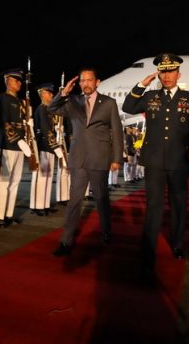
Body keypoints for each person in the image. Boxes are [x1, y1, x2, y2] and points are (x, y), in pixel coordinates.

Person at [122, 53, 189, 274]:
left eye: (170, 71)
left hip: (179, 160)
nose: (166, 75)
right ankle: (148, 247)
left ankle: (177, 244)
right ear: (158, 73)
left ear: (178, 74)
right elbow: (128, 106)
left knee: (179, 205)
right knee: (154, 207)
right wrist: (142, 84)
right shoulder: (150, 96)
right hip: (155, 161)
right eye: (163, 71)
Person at [48, 67, 123, 256]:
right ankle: (66, 240)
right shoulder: (73, 101)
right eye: (82, 81)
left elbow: (117, 131)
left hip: (99, 158)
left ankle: (106, 232)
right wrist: (63, 93)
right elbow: (51, 108)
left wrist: (117, 158)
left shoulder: (109, 103)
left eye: (89, 80)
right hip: (78, 158)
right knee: (74, 201)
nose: (86, 83)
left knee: (102, 199)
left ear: (97, 82)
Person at [0, 68, 31, 227]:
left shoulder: (21, 102)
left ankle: (8, 214)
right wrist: (19, 140)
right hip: (7, 144)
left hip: (19, 146)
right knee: (3, 182)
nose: (19, 83)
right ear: (8, 81)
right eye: (16, 80)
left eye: (20, 80)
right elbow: (4, 122)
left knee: (14, 182)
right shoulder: (3, 98)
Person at [30, 82, 64, 216]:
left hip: (49, 147)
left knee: (48, 177)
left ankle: (44, 204)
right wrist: (55, 146)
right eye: (49, 93)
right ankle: (37, 206)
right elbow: (45, 130)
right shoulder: (42, 109)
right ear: (42, 94)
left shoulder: (50, 110)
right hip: (43, 146)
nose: (51, 95)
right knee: (41, 178)